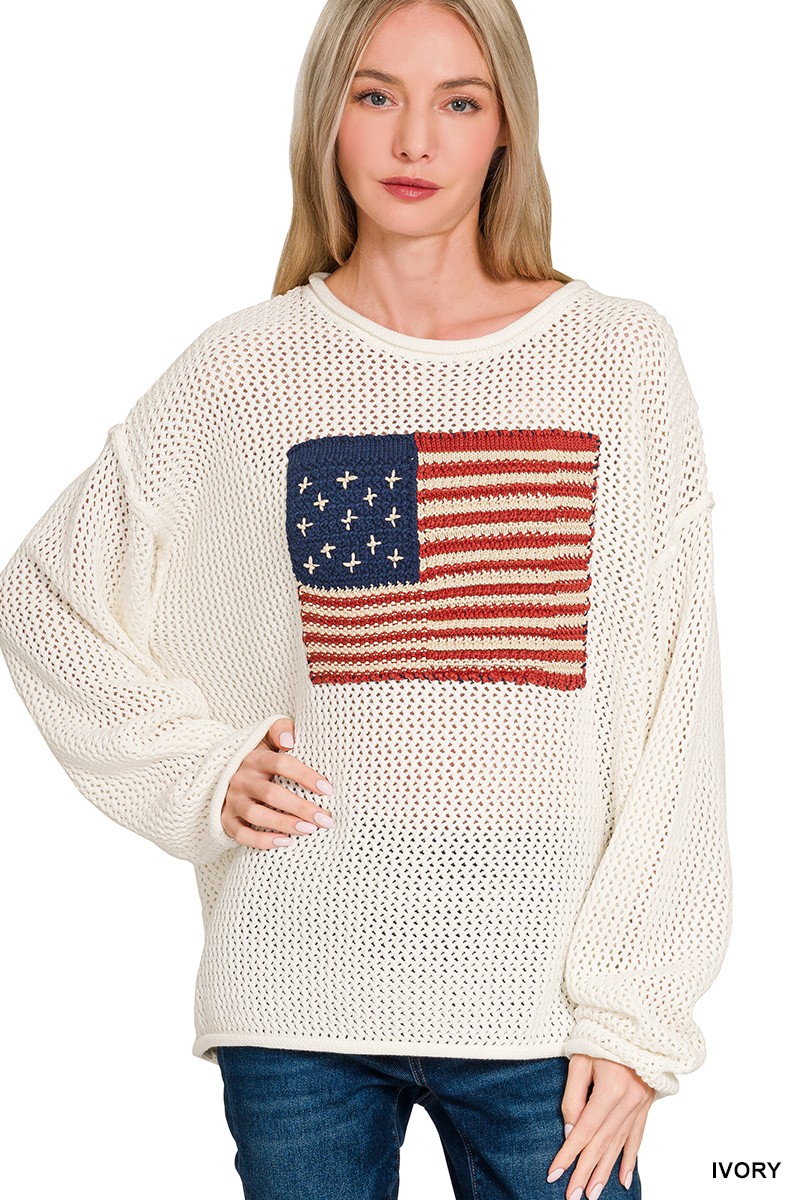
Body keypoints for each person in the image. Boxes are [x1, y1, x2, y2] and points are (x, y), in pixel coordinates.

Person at [0, 1, 733, 1198]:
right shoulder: (246, 365)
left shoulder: (618, 357)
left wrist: (636, 1010)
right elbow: (42, 597)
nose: (413, 140)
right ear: (326, 118)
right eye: (375, 95)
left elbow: (674, 706)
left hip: (543, 1001)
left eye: (458, 101)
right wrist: (199, 769)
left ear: (505, 128)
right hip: (296, 987)